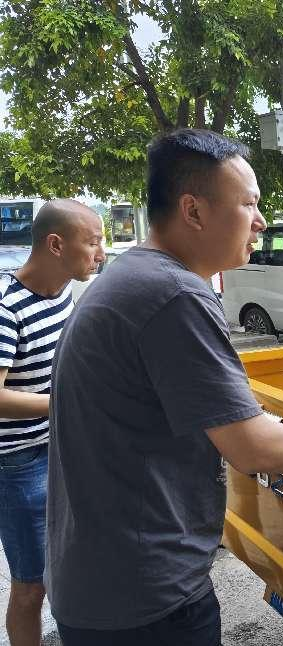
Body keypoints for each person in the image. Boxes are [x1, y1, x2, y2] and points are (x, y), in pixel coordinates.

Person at [45, 129, 283, 645]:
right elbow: (251, 448)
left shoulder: (132, 276)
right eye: (249, 204)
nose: (260, 221)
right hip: (144, 597)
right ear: (193, 211)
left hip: (98, 579)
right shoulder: (174, 294)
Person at [0, 200, 105, 646]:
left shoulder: (62, 293)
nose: (101, 253)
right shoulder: (7, 308)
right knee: (32, 585)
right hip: (19, 462)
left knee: (73, 567)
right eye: (93, 242)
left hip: (62, 446)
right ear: (56, 245)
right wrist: (66, 403)